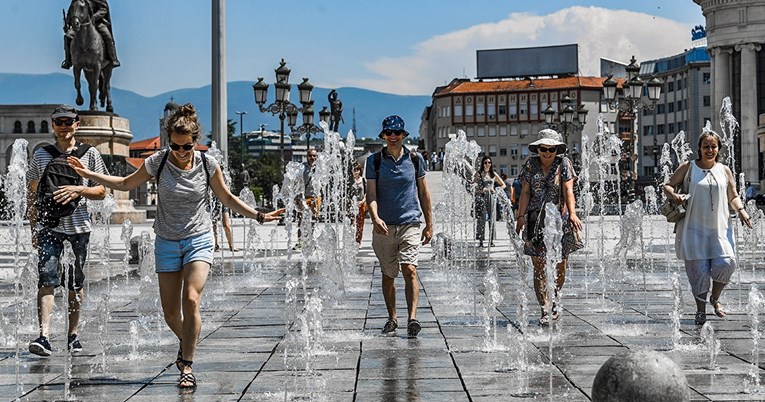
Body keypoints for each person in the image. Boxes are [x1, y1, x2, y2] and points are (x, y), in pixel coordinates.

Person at [67, 103, 283, 388]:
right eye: (176, 146)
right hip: (167, 241)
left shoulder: (208, 164)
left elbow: (227, 198)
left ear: (196, 142)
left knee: (191, 299)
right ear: (169, 141)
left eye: (187, 146)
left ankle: (188, 366)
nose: (181, 152)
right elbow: (123, 183)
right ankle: (188, 341)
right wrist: (89, 175)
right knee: (170, 314)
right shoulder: (158, 161)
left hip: (199, 239)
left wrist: (258, 215)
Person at [26, 105, 109, 357]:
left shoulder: (90, 154)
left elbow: (103, 190)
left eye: (69, 121)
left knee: (75, 283)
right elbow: (32, 193)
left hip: (79, 228)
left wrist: (79, 190)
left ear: (77, 124)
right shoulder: (41, 155)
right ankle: (44, 336)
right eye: (59, 121)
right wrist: (34, 227)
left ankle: (73, 335)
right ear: (53, 125)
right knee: (46, 280)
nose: (64, 125)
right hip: (50, 227)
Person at [664, 129, 752, 325]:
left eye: (713, 146)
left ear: (718, 148)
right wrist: (675, 196)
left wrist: (741, 211)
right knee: (699, 272)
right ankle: (701, 310)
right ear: (700, 149)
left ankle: (715, 298)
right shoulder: (689, 167)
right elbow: (668, 185)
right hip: (693, 228)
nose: (710, 150)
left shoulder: (724, 170)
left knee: (727, 263)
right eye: (706, 146)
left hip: (719, 228)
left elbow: (733, 195)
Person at [366, 115, 433, 337]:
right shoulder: (374, 161)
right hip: (384, 225)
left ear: (404, 135)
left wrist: (429, 223)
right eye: (388, 133)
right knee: (388, 274)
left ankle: (412, 318)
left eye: (397, 133)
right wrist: (375, 217)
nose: (393, 137)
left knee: (410, 268)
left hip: (410, 222)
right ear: (383, 136)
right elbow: (371, 194)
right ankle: (392, 318)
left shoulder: (415, 160)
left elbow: (423, 193)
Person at [515, 129, 584, 326]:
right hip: (535, 219)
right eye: (543, 149)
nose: (546, 153)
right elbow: (526, 192)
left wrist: (572, 213)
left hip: (559, 220)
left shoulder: (564, 164)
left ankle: (554, 298)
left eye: (551, 150)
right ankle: (544, 307)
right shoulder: (531, 164)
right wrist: (520, 216)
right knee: (539, 265)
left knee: (560, 264)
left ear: (557, 150)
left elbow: (568, 190)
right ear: (538, 148)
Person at [62, 0, 120, 69]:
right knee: (67, 36)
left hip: (97, 22)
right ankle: (68, 60)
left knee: (108, 37)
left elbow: (104, 9)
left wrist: (94, 17)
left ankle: (113, 58)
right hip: (81, 25)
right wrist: (68, 23)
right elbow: (72, 10)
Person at [474, 156, 506, 247]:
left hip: (491, 197)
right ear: (483, 164)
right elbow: (473, 187)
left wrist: (495, 189)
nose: (487, 164)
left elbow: (503, 185)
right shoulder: (479, 174)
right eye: (485, 162)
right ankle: (480, 241)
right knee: (481, 219)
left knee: (492, 218)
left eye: (489, 162)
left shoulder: (493, 174)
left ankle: (491, 240)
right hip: (482, 198)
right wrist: (481, 190)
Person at [295, 149, 321, 249]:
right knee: (301, 220)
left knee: (314, 220)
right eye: (310, 156)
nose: (312, 158)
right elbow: (297, 183)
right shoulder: (302, 168)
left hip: (316, 197)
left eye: (314, 156)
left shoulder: (320, 168)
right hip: (304, 197)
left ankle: (310, 239)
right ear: (307, 157)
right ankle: (300, 241)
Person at [351, 162, 367, 244]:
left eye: (357, 170)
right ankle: (351, 240)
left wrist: (362, 201)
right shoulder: (350, 181)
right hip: (352, 205)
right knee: (352, 223)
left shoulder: (363, 180)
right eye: (354, 170)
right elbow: (348, 194)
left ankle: (358, 240)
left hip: (361, 204)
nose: (355, 172)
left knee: (360, 224)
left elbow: (366, 193)